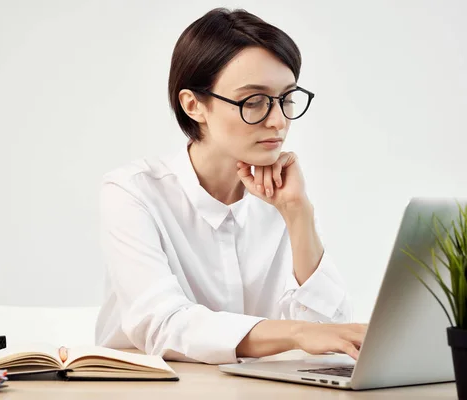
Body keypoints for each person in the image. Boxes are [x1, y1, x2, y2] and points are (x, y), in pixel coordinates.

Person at [94, 7, 366, 365]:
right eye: (254, 102)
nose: (277, 121)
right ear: (194, 105)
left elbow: (331, 335)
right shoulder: (133, 193)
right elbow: (161, 324)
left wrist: (298, 214)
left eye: (286, 99)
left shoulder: (283, 196)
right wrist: (295, 333)